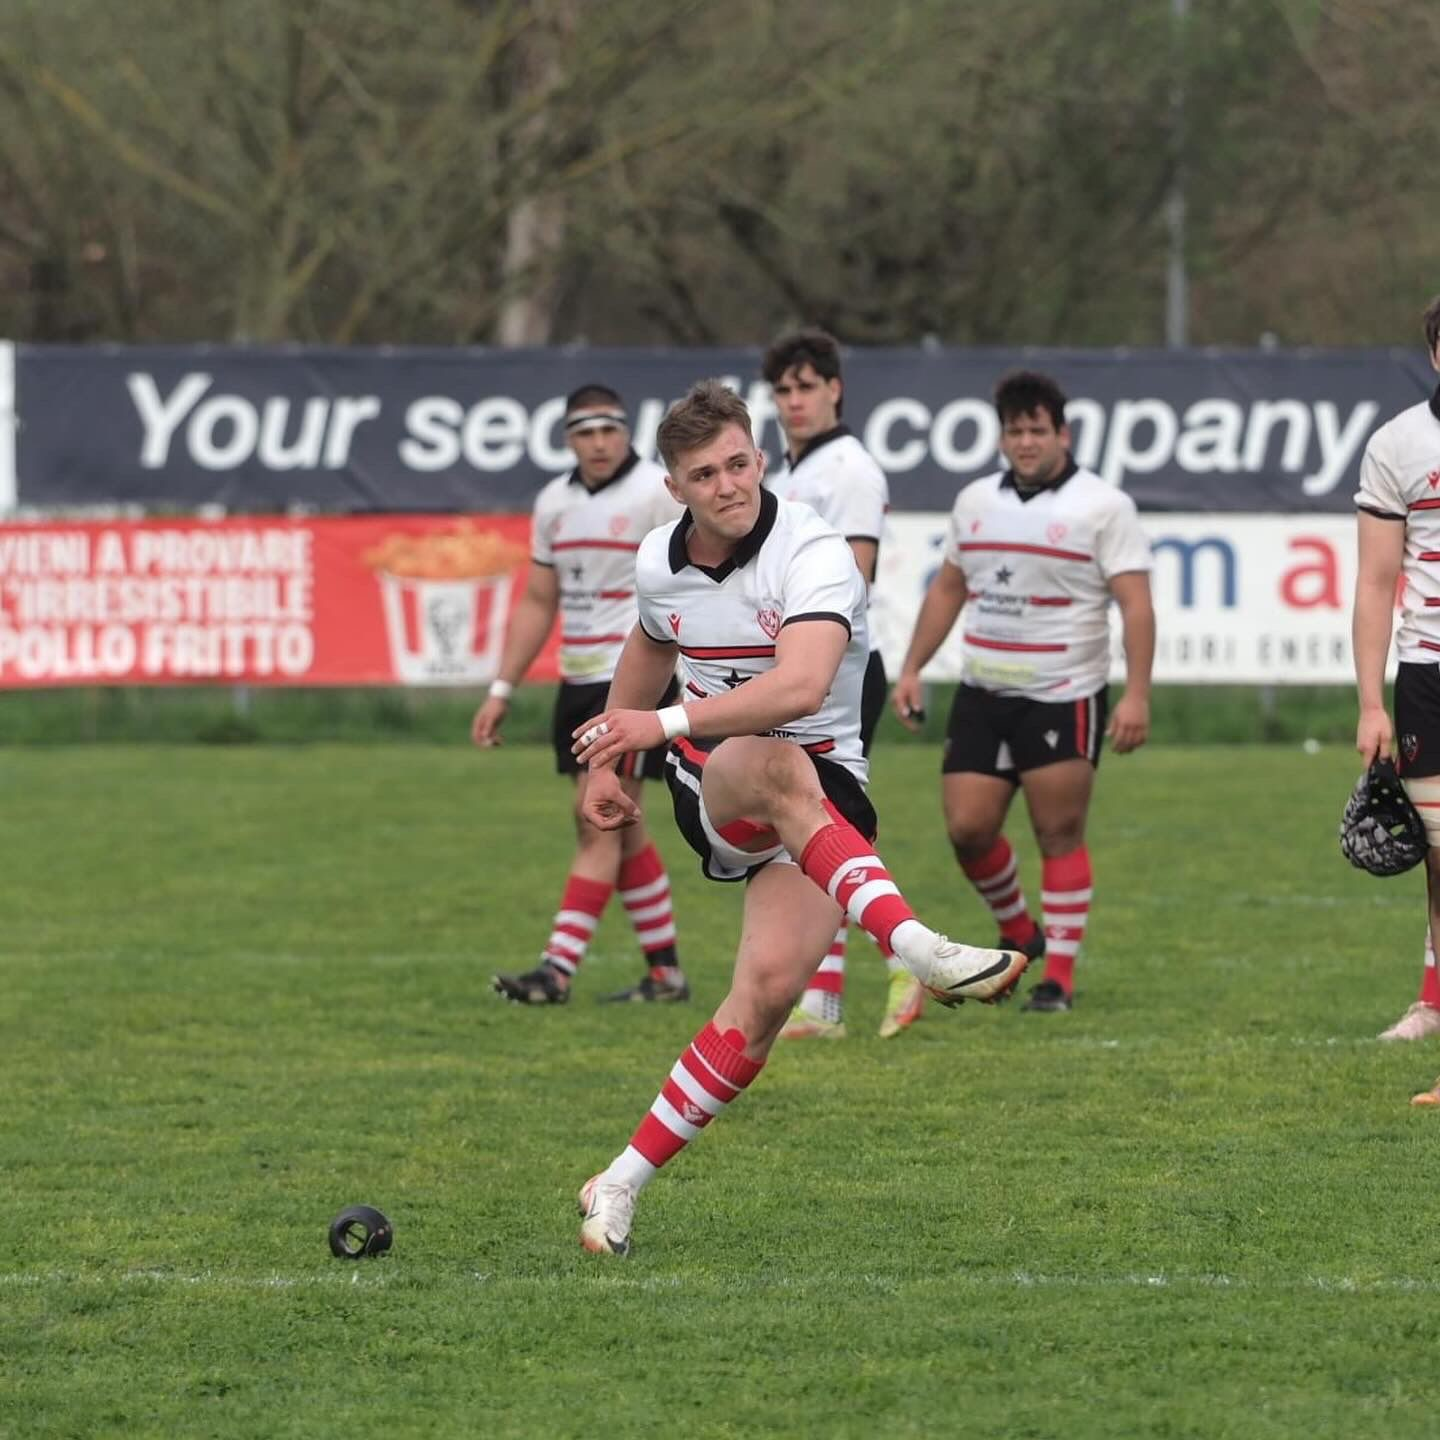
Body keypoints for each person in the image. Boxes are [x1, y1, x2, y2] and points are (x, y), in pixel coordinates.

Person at [569, 380, 1030, 1255]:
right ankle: (916, 946)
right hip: (721, 782)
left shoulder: (815, 551)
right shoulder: (660, 561)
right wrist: (612, 759)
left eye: (740, 463)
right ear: (676, 489)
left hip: (825, 795)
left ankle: (617, 1182)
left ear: (762, 458)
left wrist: (651, 723)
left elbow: (803, 686)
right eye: (705, 474)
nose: (729, 485)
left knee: (768, 999)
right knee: (764, 758)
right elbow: (652, 640)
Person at [891, 370, 1155, 1013]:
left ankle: (1056, 978)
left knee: (1058, 831)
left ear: (1062, 433)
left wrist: (1137, 694)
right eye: (1015, 431)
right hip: (983, 691)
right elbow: (949, 586)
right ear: (1002, 437)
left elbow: (1136, 606)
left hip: (1064, 693)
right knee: (968, 830)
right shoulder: (975, 501)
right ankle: (1017, 931)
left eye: (1038, 430)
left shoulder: (1104, 506)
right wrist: (913, 667)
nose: (1026, 441)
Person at [474, 384, 690, 1006]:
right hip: (577, 680)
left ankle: (557, 970)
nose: (598, 443)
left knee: (595, 821)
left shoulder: (656, 492)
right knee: (620, 827)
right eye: (584, 432)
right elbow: (540, 600)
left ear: (626, 431)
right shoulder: (553, 503)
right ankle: (666, 973)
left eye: (608, 430)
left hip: (633, 680)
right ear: (568, 438)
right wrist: (501, 688)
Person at [760, 327, 918, 1040]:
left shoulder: (847, 470)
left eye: (806, 387)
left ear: (835, 389)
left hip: (840, 669)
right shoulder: (790, 472)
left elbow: (857, 577)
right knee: (809, 828)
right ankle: (824, 1001)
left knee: (823, 826)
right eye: (783, 390)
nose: (794, 401)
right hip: (801, 666)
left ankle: (900, 958)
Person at [1350, 296, 1440, 1065]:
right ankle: (1433, 1002)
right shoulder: (1399, 444)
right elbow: (1377, 583)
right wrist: (1371, 701)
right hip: (1428, 675)